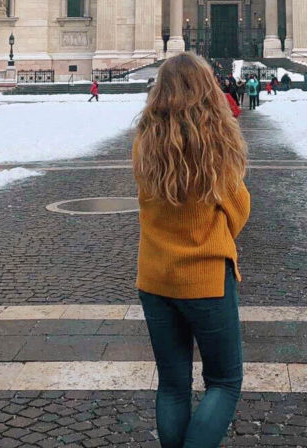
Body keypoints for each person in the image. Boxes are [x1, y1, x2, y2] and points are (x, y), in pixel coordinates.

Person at [133, 53, 250, 448]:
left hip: (155, 278)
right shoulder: (217, 144)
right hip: (205, 280)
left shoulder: (143, 142)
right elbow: (238, 207)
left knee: (172, 386)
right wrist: (211, 234)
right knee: (224, 382)